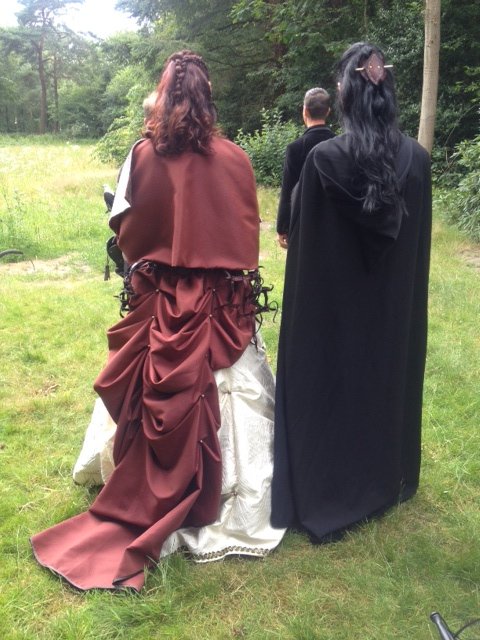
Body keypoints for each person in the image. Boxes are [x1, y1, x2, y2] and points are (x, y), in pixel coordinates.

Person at [31, 50, 283, 591]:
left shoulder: (142, 156)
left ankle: (134, 488)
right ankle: (221, 501)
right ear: (208, 98)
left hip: (162, 301)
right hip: (216, 307)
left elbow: (126, 232)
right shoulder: (235, 158)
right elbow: (245, 242)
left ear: (162, 96)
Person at [271, 43, 432, 542]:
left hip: (334, 319)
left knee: (333, 379)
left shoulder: (323, 162)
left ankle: (326, 483)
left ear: (345, 94)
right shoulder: (417, 161)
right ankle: (383, 475)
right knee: (381, 373)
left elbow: (307, 266)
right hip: (389, 318)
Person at [276, 87, 335, 249]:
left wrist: (282, 227)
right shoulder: (340, 146)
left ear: (305, 111)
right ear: (328, 112)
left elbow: (288, 189)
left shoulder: (295, 148)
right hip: (334, 223)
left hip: (303, 221)